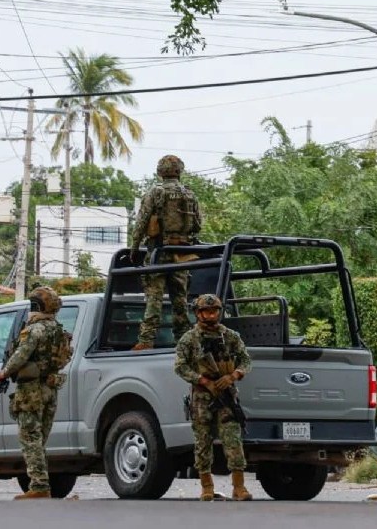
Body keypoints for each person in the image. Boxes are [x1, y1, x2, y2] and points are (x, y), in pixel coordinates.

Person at [0, 286, 72, 500]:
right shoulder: (59, 330)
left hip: (31, 390)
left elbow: (21, 355)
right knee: (40, 440)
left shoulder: (34, 330)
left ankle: (39, 486)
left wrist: (4, 372)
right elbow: (66, 357)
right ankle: (41, 484)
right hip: (50, 388)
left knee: (30, 438)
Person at [173, 294, 252, 501]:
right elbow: (180, 367)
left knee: (233, 440)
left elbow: (245, 360)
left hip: (226, 395)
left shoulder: (230, 336)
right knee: (202, 442)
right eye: (207, 311)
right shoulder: (189, 339)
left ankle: (239, 487)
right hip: (202, 398)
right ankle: (206, 487)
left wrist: (233, 375)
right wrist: (202, 380)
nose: (211, 315)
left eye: (215, 311)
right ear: (198, 313)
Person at [129, 154, 202, 351]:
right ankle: (184, 340)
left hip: (158, 252)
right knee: (180, 299)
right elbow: (197, 225)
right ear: (179, 171)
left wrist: (134, 247)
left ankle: (146, 340)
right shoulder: (189, 194)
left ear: (160, 171)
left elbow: (142, 221)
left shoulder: (155, 192)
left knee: (154, 298)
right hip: (182, 253)